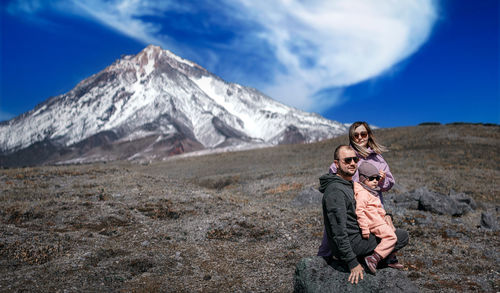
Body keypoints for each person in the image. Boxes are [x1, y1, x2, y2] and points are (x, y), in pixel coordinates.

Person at [319, 145, 408, 284]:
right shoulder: (336, 190)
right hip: (351, 243)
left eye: (355, 159)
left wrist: (386, 215)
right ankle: (369, 259)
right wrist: (352, 263)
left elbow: (367, 205)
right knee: (400, 237)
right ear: (336, 164)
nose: (353, 163)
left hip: (357, 236)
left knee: (391, 231)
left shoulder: (348, 184)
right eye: (347, 160)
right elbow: (338, 231)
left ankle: (373, 258)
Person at [318, 121, 396, 258]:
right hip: (349, 205)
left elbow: (389, 184)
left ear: (369, 135)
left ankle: (386, 260)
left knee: (379, 233)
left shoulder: (378, 159)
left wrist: (382, 181)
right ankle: (322, 261)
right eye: (355, 135)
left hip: (371, 206)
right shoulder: (348, 156)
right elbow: (333, 172)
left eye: (363, 134)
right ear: (351, 137)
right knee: (334, 230)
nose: (360, 137)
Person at [354, 161, 403, 274]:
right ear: (362, 179)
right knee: (392, 238)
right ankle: (373, 258)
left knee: (392, 231)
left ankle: (388, 257)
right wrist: (364, 228)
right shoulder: (363, 194)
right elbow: (359, 211)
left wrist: (385, 216)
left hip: (378, 220)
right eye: (371, 178)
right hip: (373, 223)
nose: (375, 181)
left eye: (377, 178)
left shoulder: (371, 191)